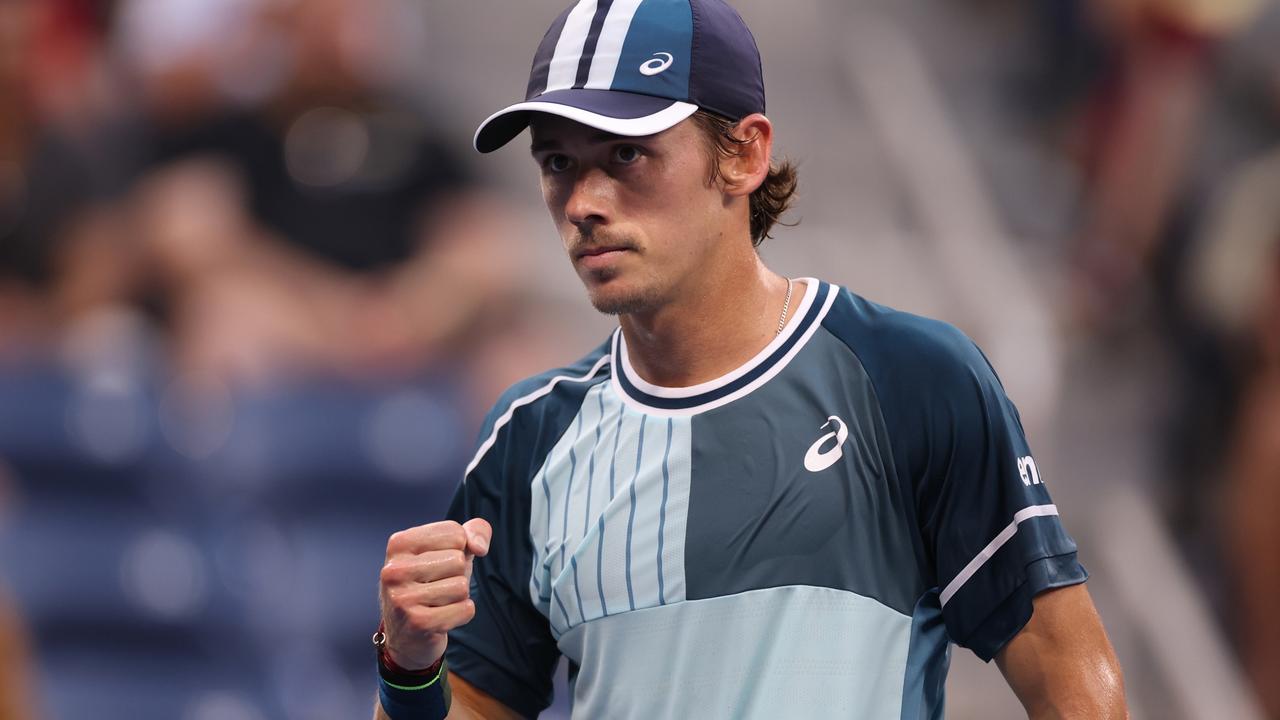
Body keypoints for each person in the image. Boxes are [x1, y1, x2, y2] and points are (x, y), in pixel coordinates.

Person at [373, 1, 1128, 717]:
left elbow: (1071, 679)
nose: (583, 203)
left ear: (744, 154)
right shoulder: (526, 440)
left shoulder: (910, 378)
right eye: (559, 163)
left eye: (628, 153)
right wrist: (411, 668)